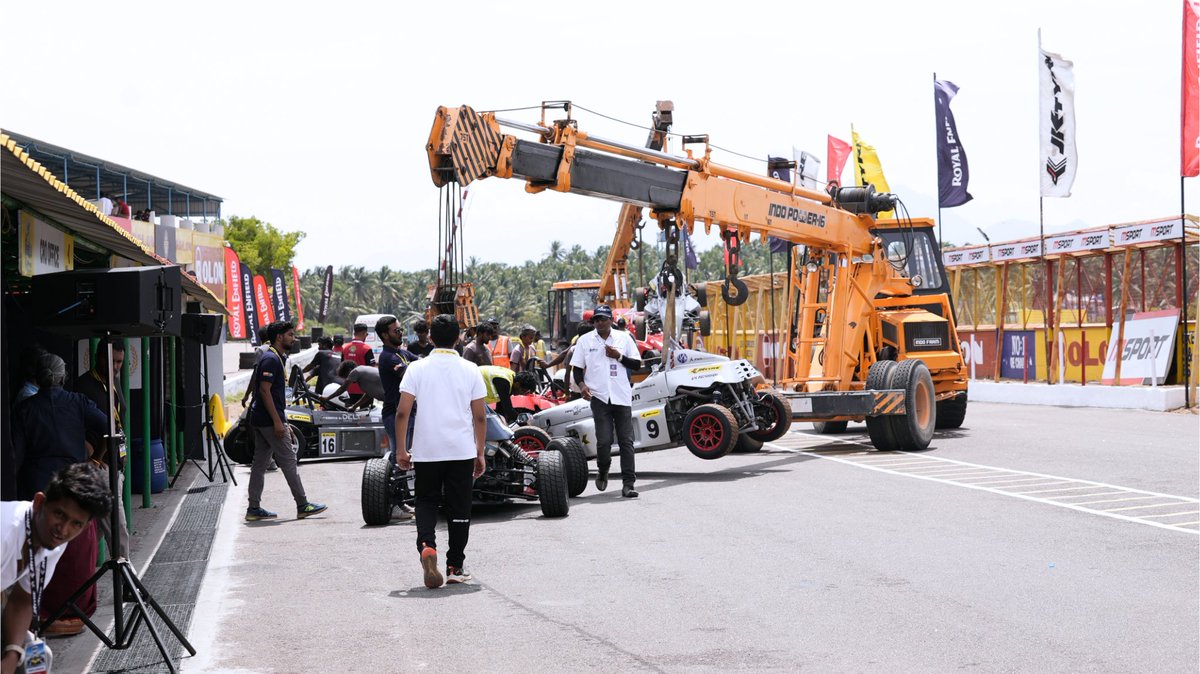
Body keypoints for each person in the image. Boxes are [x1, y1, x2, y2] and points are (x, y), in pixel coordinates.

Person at [395, 314, 486, 589]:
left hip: (426, 450)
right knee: (459, 507)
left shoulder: (416, 368)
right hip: (460, 450)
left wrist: (401, 449)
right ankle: (455, 566)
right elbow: (480, 417)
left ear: (431, 337)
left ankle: (427, 545)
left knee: (425, 501)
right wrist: (480, 452)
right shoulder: (470, 369)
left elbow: (402, 412)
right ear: (459, 337)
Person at [2, 463, 111, 674]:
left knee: (36, 657)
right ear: (40, 503)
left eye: (76, 524)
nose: (63, 529)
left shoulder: (52, 541)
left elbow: (21, 601)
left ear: (86, 527)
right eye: (59, 514)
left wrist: (13, 654)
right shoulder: (5, 532)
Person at [245, 321, 327, 522]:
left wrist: (283, 420)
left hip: (262, 419)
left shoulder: (274, 357)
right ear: (279, 337)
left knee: (260, 464)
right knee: (289, 461)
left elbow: (268, 391)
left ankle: (253, 508)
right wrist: (278, 422)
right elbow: (264, 391)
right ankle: (302, 504)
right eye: (290, 335)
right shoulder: (271, 359)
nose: (294, 338)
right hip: (267, 420)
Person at [571, 305, 642, 498]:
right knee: (604, 441)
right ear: (593, 322)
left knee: (627, 441)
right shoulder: (585, 341)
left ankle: (629, 484)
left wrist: (618, 356)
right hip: (599, 397)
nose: (600, 322)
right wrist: (582, 385)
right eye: (596, 320)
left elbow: (636, 364)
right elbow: (577, 369)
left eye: (603, 319)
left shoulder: (624, 338)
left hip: (621, 396)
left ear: (611, 320)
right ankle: (603, 470)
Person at [72, 337, 130, 562]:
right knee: (118, 525)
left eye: (120, 362)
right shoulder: (84, 386)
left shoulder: (114, 381)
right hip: (101, 467)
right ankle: (126, 579)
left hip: (117, 462)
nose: (116, 367)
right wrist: (93, 455)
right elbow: (75, 425)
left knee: (95, 529)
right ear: (98, 358)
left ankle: (80, 573)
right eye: (113, 361)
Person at [341, 323, 377, 406]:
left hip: (348, 388)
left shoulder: (345, 348)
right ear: (363, 333)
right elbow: (372, 370)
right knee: (365, 416)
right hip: (365, 390)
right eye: (367, 334)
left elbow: (342, 368)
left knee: (348, 414)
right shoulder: (367, 349)